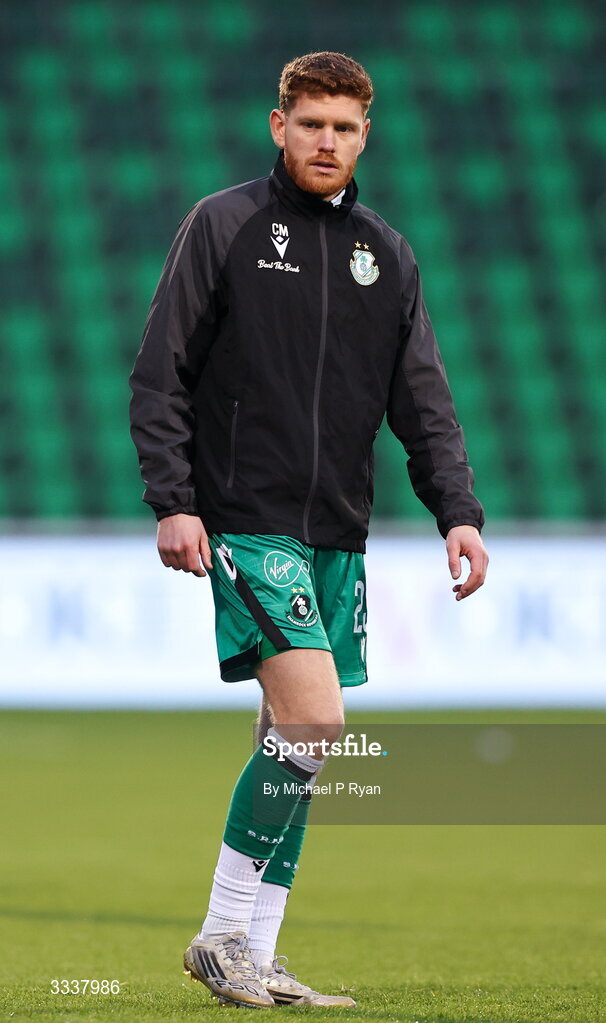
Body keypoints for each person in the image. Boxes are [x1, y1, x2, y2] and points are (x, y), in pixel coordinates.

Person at [129, 51, 488, 1010]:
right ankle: (218, 937)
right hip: (247, 518)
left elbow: (425, 403)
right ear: (277, 124)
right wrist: (174, 498)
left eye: (345, 127)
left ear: (367, 135)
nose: (327, 140)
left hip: (338, 530)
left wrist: (457, 512)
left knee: (300, 741)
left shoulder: (387, 254)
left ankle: (264, 951)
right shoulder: (225, 224)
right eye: (311, 123)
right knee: (318, 719)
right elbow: (161, 373)